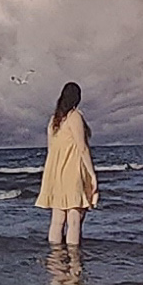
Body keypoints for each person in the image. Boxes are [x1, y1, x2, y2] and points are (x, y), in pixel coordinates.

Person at [35, 81, 98, 249]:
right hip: (72, 172)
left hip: (56, 173)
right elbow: (82, 147)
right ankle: (74, 263)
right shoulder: (74, 116)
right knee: (74, 220)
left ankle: (55, 263)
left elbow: (51, 150)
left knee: (57, 220)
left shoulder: (54, 121)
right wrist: (92, 175)